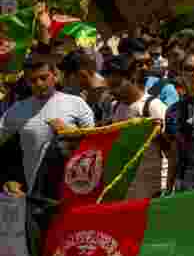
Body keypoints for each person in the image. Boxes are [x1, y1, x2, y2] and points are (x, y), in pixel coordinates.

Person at [0, 52, 94, 195]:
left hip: (74, 192)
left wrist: (71, 134)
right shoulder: (17, 110)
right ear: (26, 81)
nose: (39, 84)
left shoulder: (77, 104)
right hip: (35, 195)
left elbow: (95, 147)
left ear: (54, 75)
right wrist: (8, 179)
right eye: (33, 80)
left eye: (43, 77)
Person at [104, 54, 169, 199]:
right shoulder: (115, 107)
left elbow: (172, 150)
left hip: (155, 190)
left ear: (132, 77)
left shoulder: (153, 107)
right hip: (129, 189)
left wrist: (159, 135)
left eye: (116, 85)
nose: (112, 91)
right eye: (109, 87)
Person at [165, 50, 194, 193]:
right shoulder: (173, 111)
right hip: (187, 185)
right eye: (190, 69)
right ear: (181, 75)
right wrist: (168, 188)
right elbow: (174, 154)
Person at [117, 37, 180, 108]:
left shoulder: (165, 89)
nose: (144, 67)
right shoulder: (115, 94)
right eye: (138, 64)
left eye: (148, 62)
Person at [58, 49, 114, 124]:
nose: (66, 82)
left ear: (82, 74)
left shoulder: (109, 97)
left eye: (67, 77)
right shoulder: (85, 94)